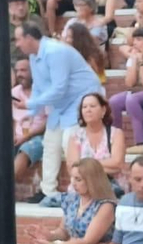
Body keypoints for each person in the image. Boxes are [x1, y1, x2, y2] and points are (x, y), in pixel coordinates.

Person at [17, 21, 103, 200]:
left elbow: (58, 88)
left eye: (18, 39)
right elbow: (39, 87)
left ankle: (79, 190)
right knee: (50, 143)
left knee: (68, 143)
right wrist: (31, 114)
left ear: (29, 38)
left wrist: (31, 105)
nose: (17, 44)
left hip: (82, 98)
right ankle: (48, 192)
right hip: (61, 104)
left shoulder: (56, 52)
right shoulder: (34, 56)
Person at [25, 158, 116, 244]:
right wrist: (48, 235)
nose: (73, 183)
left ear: (92, 180)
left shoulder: (105, 205)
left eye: (78, 179)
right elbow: (64, 231)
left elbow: (87, 242)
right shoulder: (72, 200)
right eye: (72, 178)